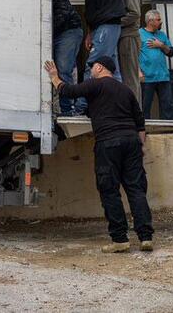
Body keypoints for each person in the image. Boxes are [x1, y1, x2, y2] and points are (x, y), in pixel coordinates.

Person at [45, 55, 153, 252]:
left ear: (101, 68)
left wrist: (54, 76)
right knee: (136, 189)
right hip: (131, 143)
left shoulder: (96, 85)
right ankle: (146, 237)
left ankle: (120, 239)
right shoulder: (126, 90)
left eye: (93, 66)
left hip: (108, 142)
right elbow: (140, 121)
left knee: (109, 190)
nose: (91, 69)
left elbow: (69, 91)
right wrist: (142, 146)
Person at [52, 0, 86, 116]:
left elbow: (63, 13)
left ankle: (67, 109)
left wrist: (48, 30)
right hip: (57, 31)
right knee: (55, 70)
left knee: (63, 69)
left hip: (68, 30)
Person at [139, 10, 173, 119]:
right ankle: (145, 130)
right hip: (147, 77)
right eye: (158, 19)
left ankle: (167, 130)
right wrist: (138, 71)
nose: (161, 22)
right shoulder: (139, 34)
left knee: (167, 106)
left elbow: (171, 53)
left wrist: (160, 45)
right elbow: (133, 54)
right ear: (150, 21)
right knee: (145, 107)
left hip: (163, 76)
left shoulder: (162, 35)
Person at [116, 0, 144, 100]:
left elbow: (135, 13)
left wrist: (115, 23)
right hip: (123, 37)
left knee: (130, 77)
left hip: (129, 37)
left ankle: (134, 112)